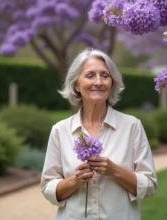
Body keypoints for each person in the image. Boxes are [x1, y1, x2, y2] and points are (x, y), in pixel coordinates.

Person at [41, 48, 158, 220]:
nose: (98, 82)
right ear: (76, 85)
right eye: (90, 75)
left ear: (112, 83)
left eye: (105, 75)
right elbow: (48, 187)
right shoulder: (60, 130)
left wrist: (115, 171)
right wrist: (75, 180)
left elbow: (149, 186)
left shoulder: (132, 126)